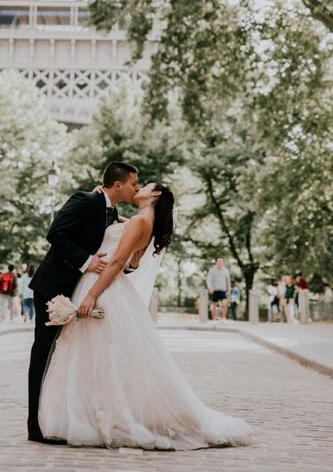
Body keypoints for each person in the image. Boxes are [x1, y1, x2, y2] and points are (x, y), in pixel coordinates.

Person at [37, 182, 251, 450]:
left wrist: (91, 295)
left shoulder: (140, 221)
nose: (138, 187)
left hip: (103, 288)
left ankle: (96, 414)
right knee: (102, 355)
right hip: (107, 287)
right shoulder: (141, 220)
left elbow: (116, 262)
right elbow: (128, 256)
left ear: (155, 194)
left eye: (143, 185)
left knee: (102, 356)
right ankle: (92, 412)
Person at [27, 161, 139, 443]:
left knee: (63, 357)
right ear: (118, 185)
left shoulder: (112, 213)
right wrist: (86, 262)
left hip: (76, 291)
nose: (136, 188)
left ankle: (55, 418)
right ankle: (35, 426)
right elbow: (55, 233)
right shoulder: (84, 199)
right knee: (44, 353)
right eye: (133, 183)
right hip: (53, 286)